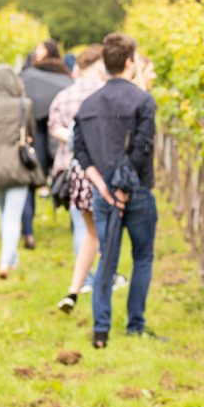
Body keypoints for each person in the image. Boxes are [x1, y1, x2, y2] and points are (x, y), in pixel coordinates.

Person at [73, 33, 158, 348]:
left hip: (103, 192)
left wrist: (104, 187)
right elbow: (142, 149)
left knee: (107, 257)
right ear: (128, 62)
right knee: (142, 257)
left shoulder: (88, 104)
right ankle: (135, 325)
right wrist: (123, 190)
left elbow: (80, 152)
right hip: (136, 192)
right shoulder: (143, 100)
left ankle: (101, 329)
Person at [48, 45, 112, 313]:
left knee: (83, 228)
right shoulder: (105, 94)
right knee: (103, 230)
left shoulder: (64, 95)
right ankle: (100, 279)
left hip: (70, 167)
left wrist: (73, 140)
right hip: (99, 168)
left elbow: (52, 128)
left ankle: (82, 281)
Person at [0, 66, 45, 278]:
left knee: (3, 210)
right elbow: (31, 132)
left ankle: (12, 257)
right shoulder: (24, 105)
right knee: (13, 216)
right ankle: (5, 261)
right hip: (16, 161)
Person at [18, 40, 73, 249]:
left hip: (39, 135)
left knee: (29, 182)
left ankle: (28, 230)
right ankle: (75, 224)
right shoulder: (65, 78)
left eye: (40, 49)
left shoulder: (29, 77)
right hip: (60, 137)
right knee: (67, 179)